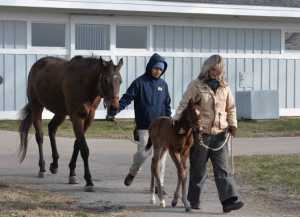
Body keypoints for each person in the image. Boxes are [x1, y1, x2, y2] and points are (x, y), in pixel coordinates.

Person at [172, 54, 244, 213]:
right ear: (206, 69)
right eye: (212, 69)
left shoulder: (225, 87)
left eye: (218, 70)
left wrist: (233, 125)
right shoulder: (196, 85)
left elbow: (230, 108)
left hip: (220, 134)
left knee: (223, 168)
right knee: (198, 169)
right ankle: (194, 199)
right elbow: (184, 104)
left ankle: (229, 201)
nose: (215, 73)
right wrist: (176, 120)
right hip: (200, 134)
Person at [109, 53, 171, 194]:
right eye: (155, 68)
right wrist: (115, 111)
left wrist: (169, 122)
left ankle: (158, 186)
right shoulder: (139, 83)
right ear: (150, 67)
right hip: (145, 127)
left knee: (161, 159)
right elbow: (127, 98)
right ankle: (132, 172)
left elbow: (167, 105)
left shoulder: (164, 85)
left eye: (160, 69)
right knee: (142, 154)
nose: (158, 71)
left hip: (162, 129)